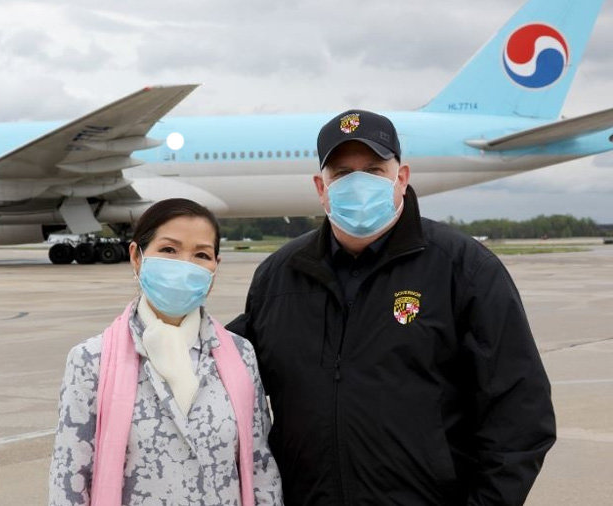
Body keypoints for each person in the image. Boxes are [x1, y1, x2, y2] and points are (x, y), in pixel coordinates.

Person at [227, 110, 556, 506]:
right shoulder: (278, 278)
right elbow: (225, 373)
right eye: (342, 173)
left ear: (401, 177)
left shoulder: (463, 268)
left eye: (374, 170)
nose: (358, 183)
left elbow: (521, 413)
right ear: (321, 187)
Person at [49, 198, 282, 506]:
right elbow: (69, 481)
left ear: (215, 267)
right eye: (169, 250)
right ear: (136, 256)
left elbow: (260, 466)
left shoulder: (240, 355)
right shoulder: (91, 360)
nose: (185, 265)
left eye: (201, 254)